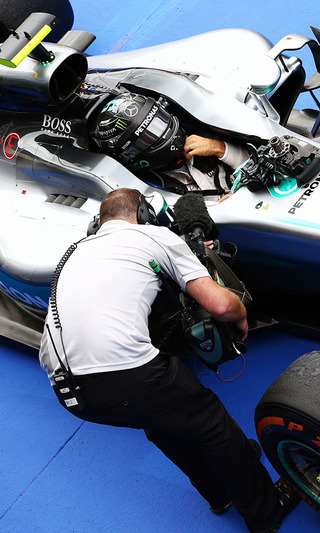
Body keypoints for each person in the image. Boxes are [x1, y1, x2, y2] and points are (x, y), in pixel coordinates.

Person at [38, 188, 299, 533]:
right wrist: (239, 313)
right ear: (144, 213)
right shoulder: (154, 235)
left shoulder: (75, 251)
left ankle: (219, 494)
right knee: (214, 426)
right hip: (127, 375)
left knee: (161, 419)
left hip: (69, 393)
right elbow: (220, 305)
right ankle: (267, 512)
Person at [89, 92, 250, 195]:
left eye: (159, 121)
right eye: (147, 137)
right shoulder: (148, 190)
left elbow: (260, 158)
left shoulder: (206, 133)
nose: (162, 133)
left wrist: (220, 148)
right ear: (130, 154)